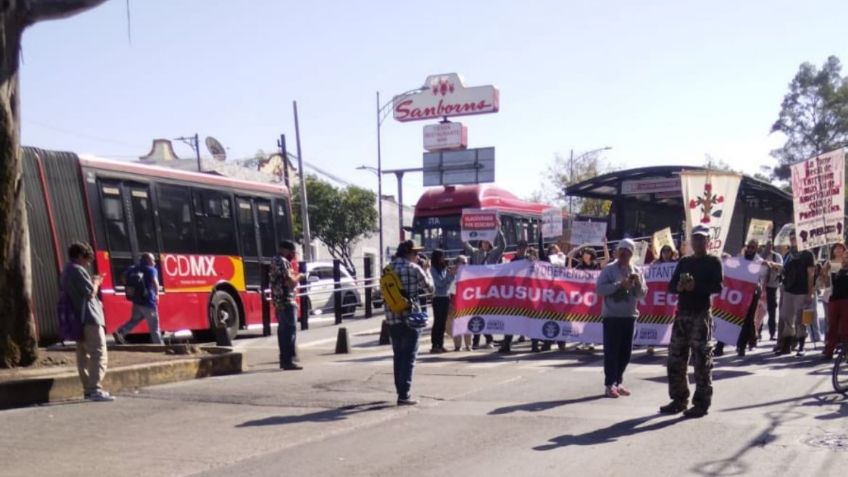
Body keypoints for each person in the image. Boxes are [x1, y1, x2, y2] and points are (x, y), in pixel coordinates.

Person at [660, 225, 723, 418]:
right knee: (676, 358)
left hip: (701, 313)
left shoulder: (713, 261)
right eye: (695, 239)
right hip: (683, 313)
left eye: (702, 239)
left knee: (702, 359)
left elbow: (717, 287)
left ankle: (701, 403)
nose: (698, 242)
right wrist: (679, 286)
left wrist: (697, 286)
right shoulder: (685, 261)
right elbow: (671, 287)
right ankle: (679, 399)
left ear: (707, 242)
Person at [61, 242, 114, 401]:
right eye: (87, 259)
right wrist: (96, 281)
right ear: (79, 256)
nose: (88, 263)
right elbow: (90, 292)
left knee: (83, 356)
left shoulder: (66, 271)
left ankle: (88, 389)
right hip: (90, 319)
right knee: (99, 354)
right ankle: (95, 389)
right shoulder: (78, 270)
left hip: (77, 320)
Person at [596, 239, 647, 398]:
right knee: (612, 352)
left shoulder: (636, 270)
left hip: (629, 317)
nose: (624, 254)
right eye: (622, 250)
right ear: (617, 252)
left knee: (625, 353)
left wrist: (638, 284)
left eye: (628, 251)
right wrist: (619, 285)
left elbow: (642, 294)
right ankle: (609, 384)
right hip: (612, 317)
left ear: (632, 254)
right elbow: (600, 289)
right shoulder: (609, 270)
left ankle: (618, 382)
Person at [386, 240, 434, 405]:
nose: (418, 256)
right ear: (409, 253)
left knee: (398, 355)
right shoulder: (414, 269)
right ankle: (404, 394)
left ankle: (400, 391)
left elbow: (380, 293)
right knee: (410, 356)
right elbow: (430, 288)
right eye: (416, 253)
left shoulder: (388, 269)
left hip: (392, 318)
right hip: (411, 317)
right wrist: (426, 270)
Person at [776, 229, 816, 357]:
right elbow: (785, 270)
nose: (793, 240)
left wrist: (810, 293)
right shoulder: (788, 255)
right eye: (791, 238)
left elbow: (811, 275)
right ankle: (787, 345)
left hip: (802, 291)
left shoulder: (807, 254)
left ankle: (801, 346)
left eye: (795, 237)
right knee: (786, 317)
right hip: (788, 290)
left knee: (801, 319)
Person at [465, 229, 505, 349]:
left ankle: (489, 339)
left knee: (486, 314)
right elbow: (465, 245)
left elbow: (503, 245)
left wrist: (499, 230)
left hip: (489, 289)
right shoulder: (476, 253)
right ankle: (476, 341)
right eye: (483, 242)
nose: (485, 244)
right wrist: (463, 231)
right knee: (476, 314)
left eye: (487, 242)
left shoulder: (494, 254)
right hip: (477, 289)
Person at [113, 253, 162, 345]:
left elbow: (123, 278)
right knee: (154, 327)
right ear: (148, 260)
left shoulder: (133, 268)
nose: (154, 262)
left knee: (134, 320)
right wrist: (157, 294)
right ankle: (159, 345)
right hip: (148, 302)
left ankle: (121, 332)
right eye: (153, 260)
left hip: (137, 301)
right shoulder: (151, 269)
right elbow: (155, 283)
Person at [270, 240, 303, 370]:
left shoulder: (274, 260)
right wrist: (300, 276)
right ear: (286, 250)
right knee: (290, 331)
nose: (293, 255)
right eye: (292, 252)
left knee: (282, 331)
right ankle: (288, 360)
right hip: (287, 300)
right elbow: (291, 282)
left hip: (278, 301)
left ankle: (284, 360)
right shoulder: (283, 262)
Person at [500, 240, 530, 354]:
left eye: (524, 248)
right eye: (520, 248)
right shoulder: (513, 261)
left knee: (530, 319)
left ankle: (535, 344)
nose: (522, 250)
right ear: (517, 249)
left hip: (527, 294)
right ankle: (506, 344)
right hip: (515, 295)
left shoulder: (529, 260)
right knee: (511, 320)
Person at [822, 246, 848, 360]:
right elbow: (826, 282)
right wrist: (824, 270)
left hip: (846, 299)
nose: (838, 251)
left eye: (841, 249)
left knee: (845, 327)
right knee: (832, 325)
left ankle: (845, 351)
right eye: (836, 249)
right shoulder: (830, 264)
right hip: (834, 298)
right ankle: (829, 350)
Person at [429, 249, 455, 354]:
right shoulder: (433, 270)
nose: (443, 258)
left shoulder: (443, 268)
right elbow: (439, 283)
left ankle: (441, 344)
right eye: (441, 256)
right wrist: (449, 276)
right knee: (438, 322)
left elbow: (449, 282)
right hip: (438, 297)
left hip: (445, 296)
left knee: (443, 322)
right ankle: (435, 345)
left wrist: (451, 275)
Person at [447, 255, 472, 352]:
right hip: (455, 302)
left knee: (467, 323)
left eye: (466, 262)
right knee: (456, 324)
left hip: (467, 302)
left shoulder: (469, 274)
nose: (466, 264)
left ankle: (468, 345)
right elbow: (450, 289)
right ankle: (458, 346)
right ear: (457, 264)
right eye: (464, 262)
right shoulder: (452, 274)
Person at [760, 241, 784, 341]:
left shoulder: (776, 256)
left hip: (772, 286)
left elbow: (781, 267)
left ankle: (772, 332)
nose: (768, 247)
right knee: (759, 310)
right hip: (760, 286)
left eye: (770, 245)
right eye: (766, 245)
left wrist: (771, 264)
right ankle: (757, 332)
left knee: (772, 310)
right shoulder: (759, 256)